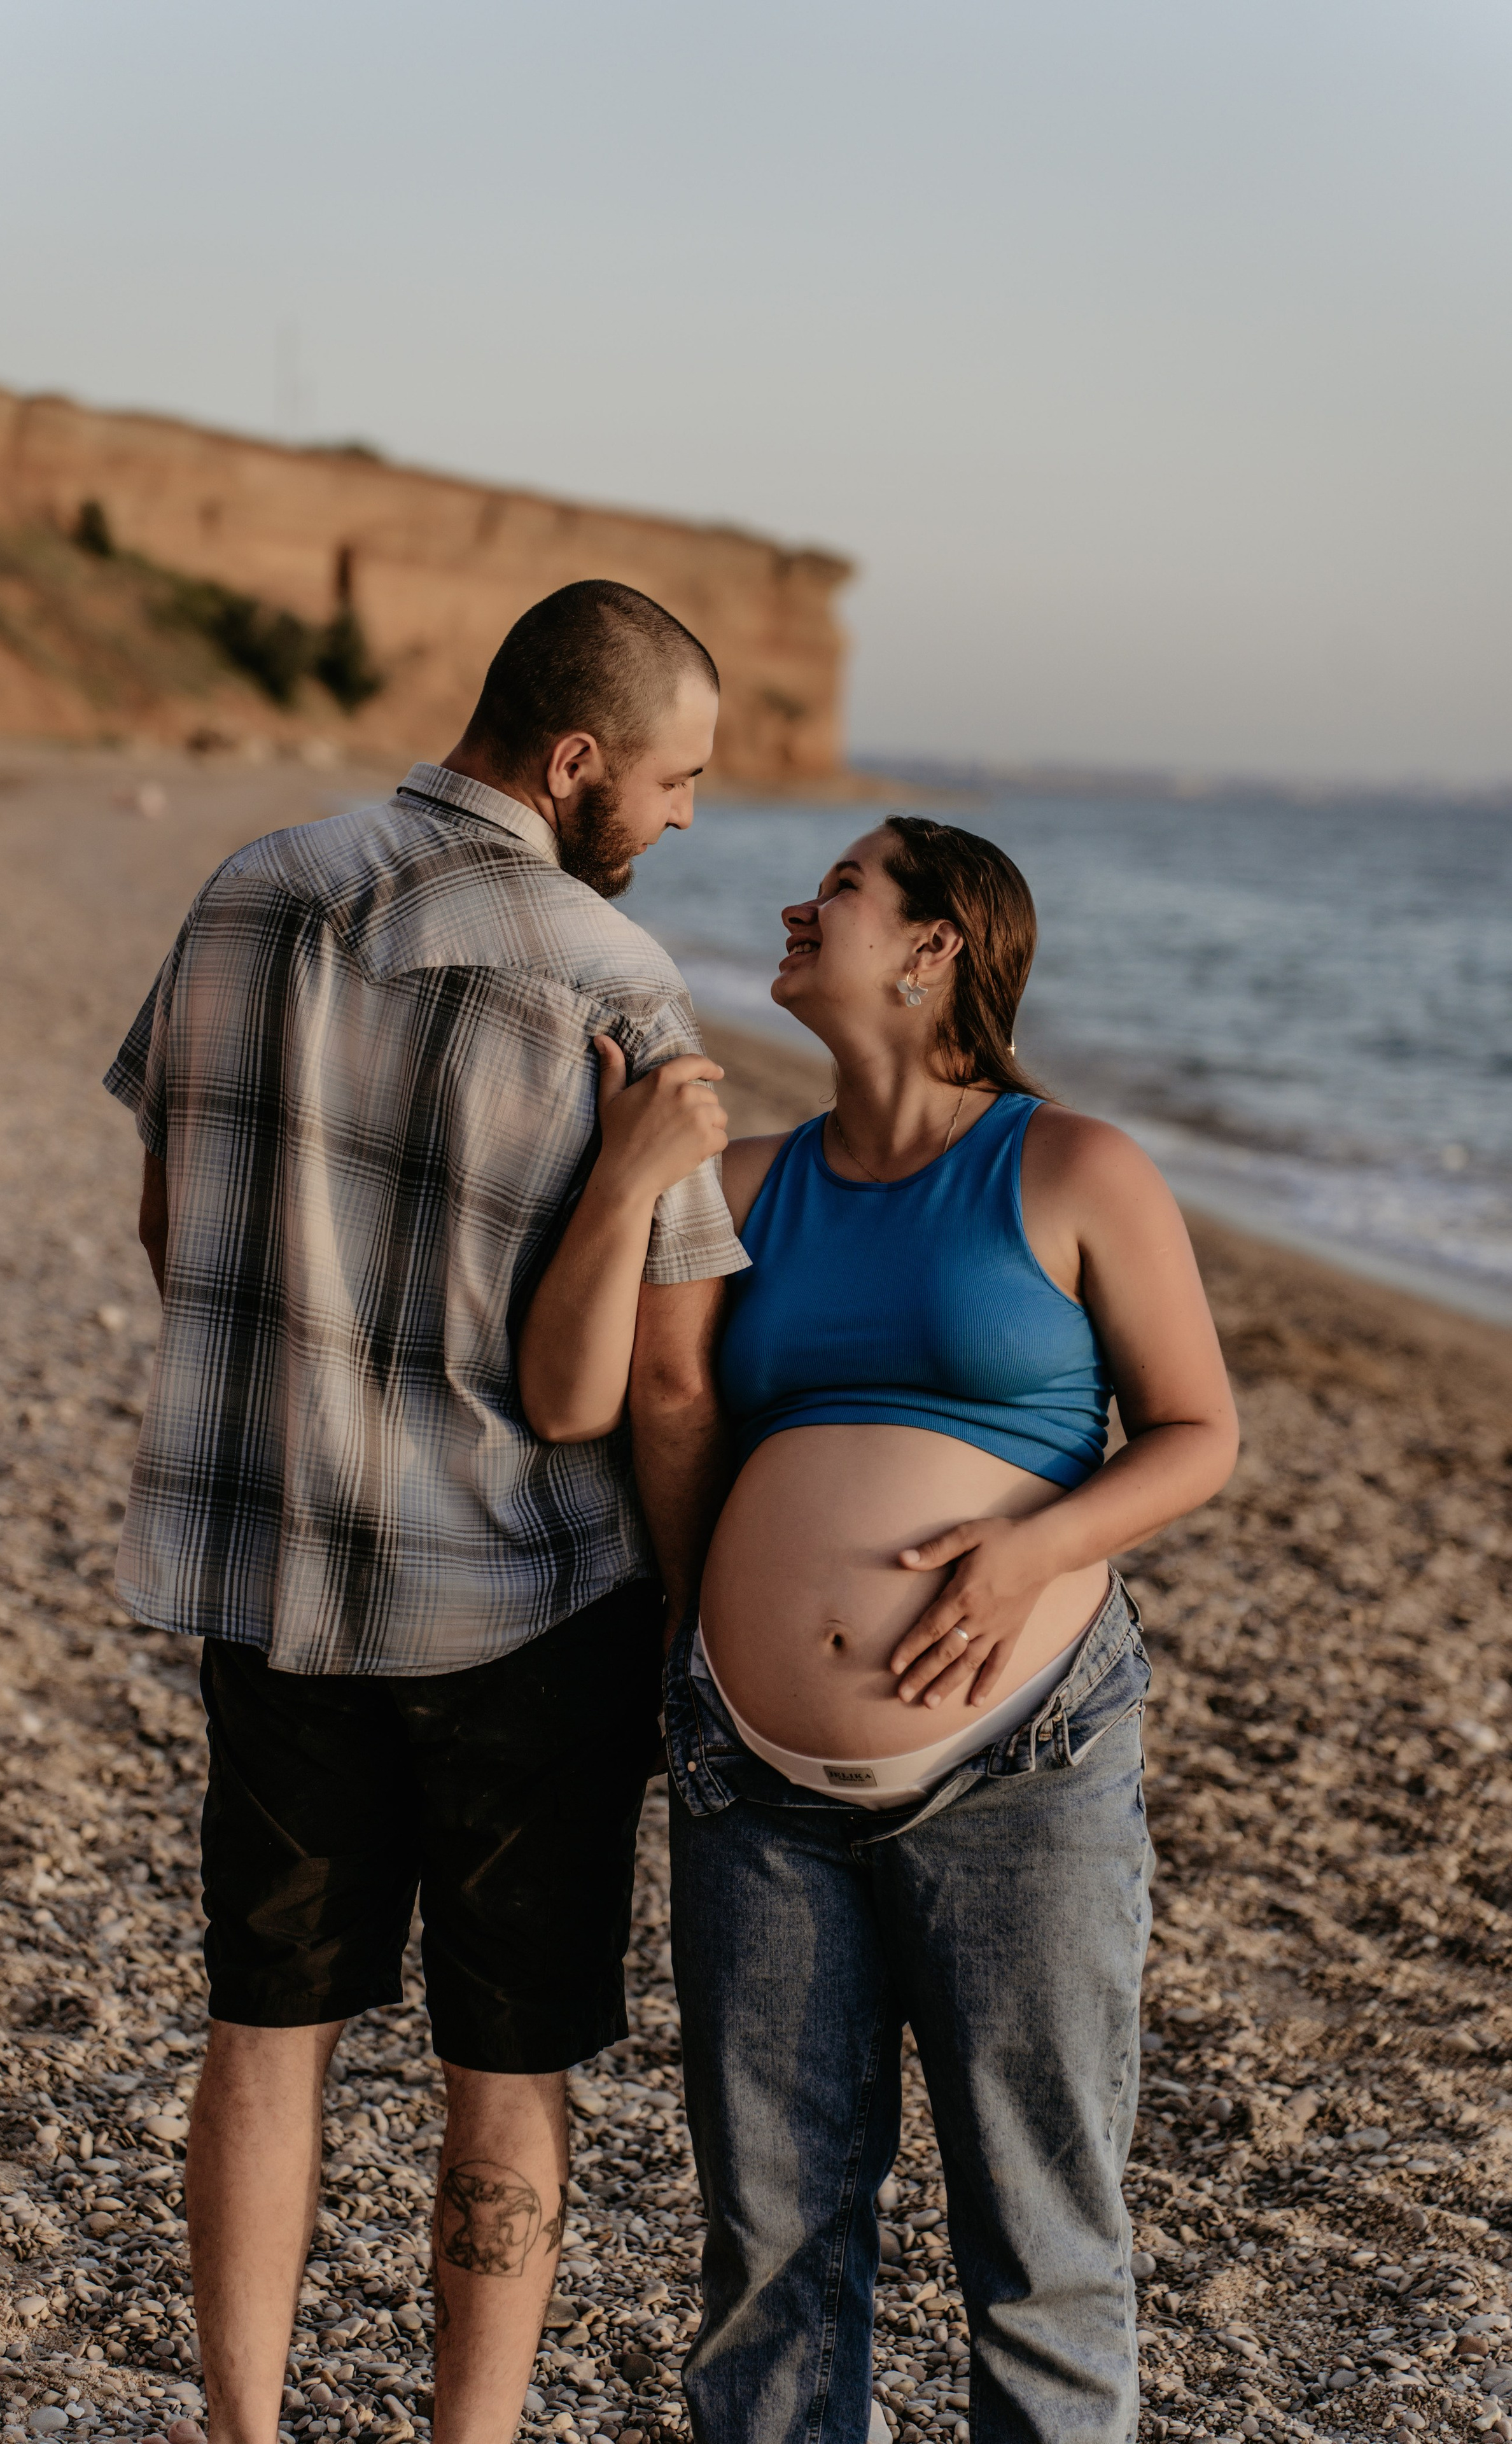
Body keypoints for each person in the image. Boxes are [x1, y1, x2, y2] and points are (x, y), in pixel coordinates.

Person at [103, 579, 750, 2444]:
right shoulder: (607, 977)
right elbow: (668, 1379)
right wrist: (692, 1617)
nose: (682, 815)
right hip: (523, 1610)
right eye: (675, 779)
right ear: (575, 759)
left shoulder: (250, 887)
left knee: (265, 2028)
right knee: (506, 2064)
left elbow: (174, 1223)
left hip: (273, 1577)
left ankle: (242, 2428)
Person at [519, 815, 1240, 2444]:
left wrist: (1027, 1551)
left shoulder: (1074, 1169)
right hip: (753, 1778)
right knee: (770, 2248)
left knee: (1039, 2244)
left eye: (841, 885)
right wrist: (707, 1643)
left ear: (933, 948)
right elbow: (661, 1406)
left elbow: (1197, 1434)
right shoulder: (745, 1184)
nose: (799, 901)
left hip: (1021, 1764)